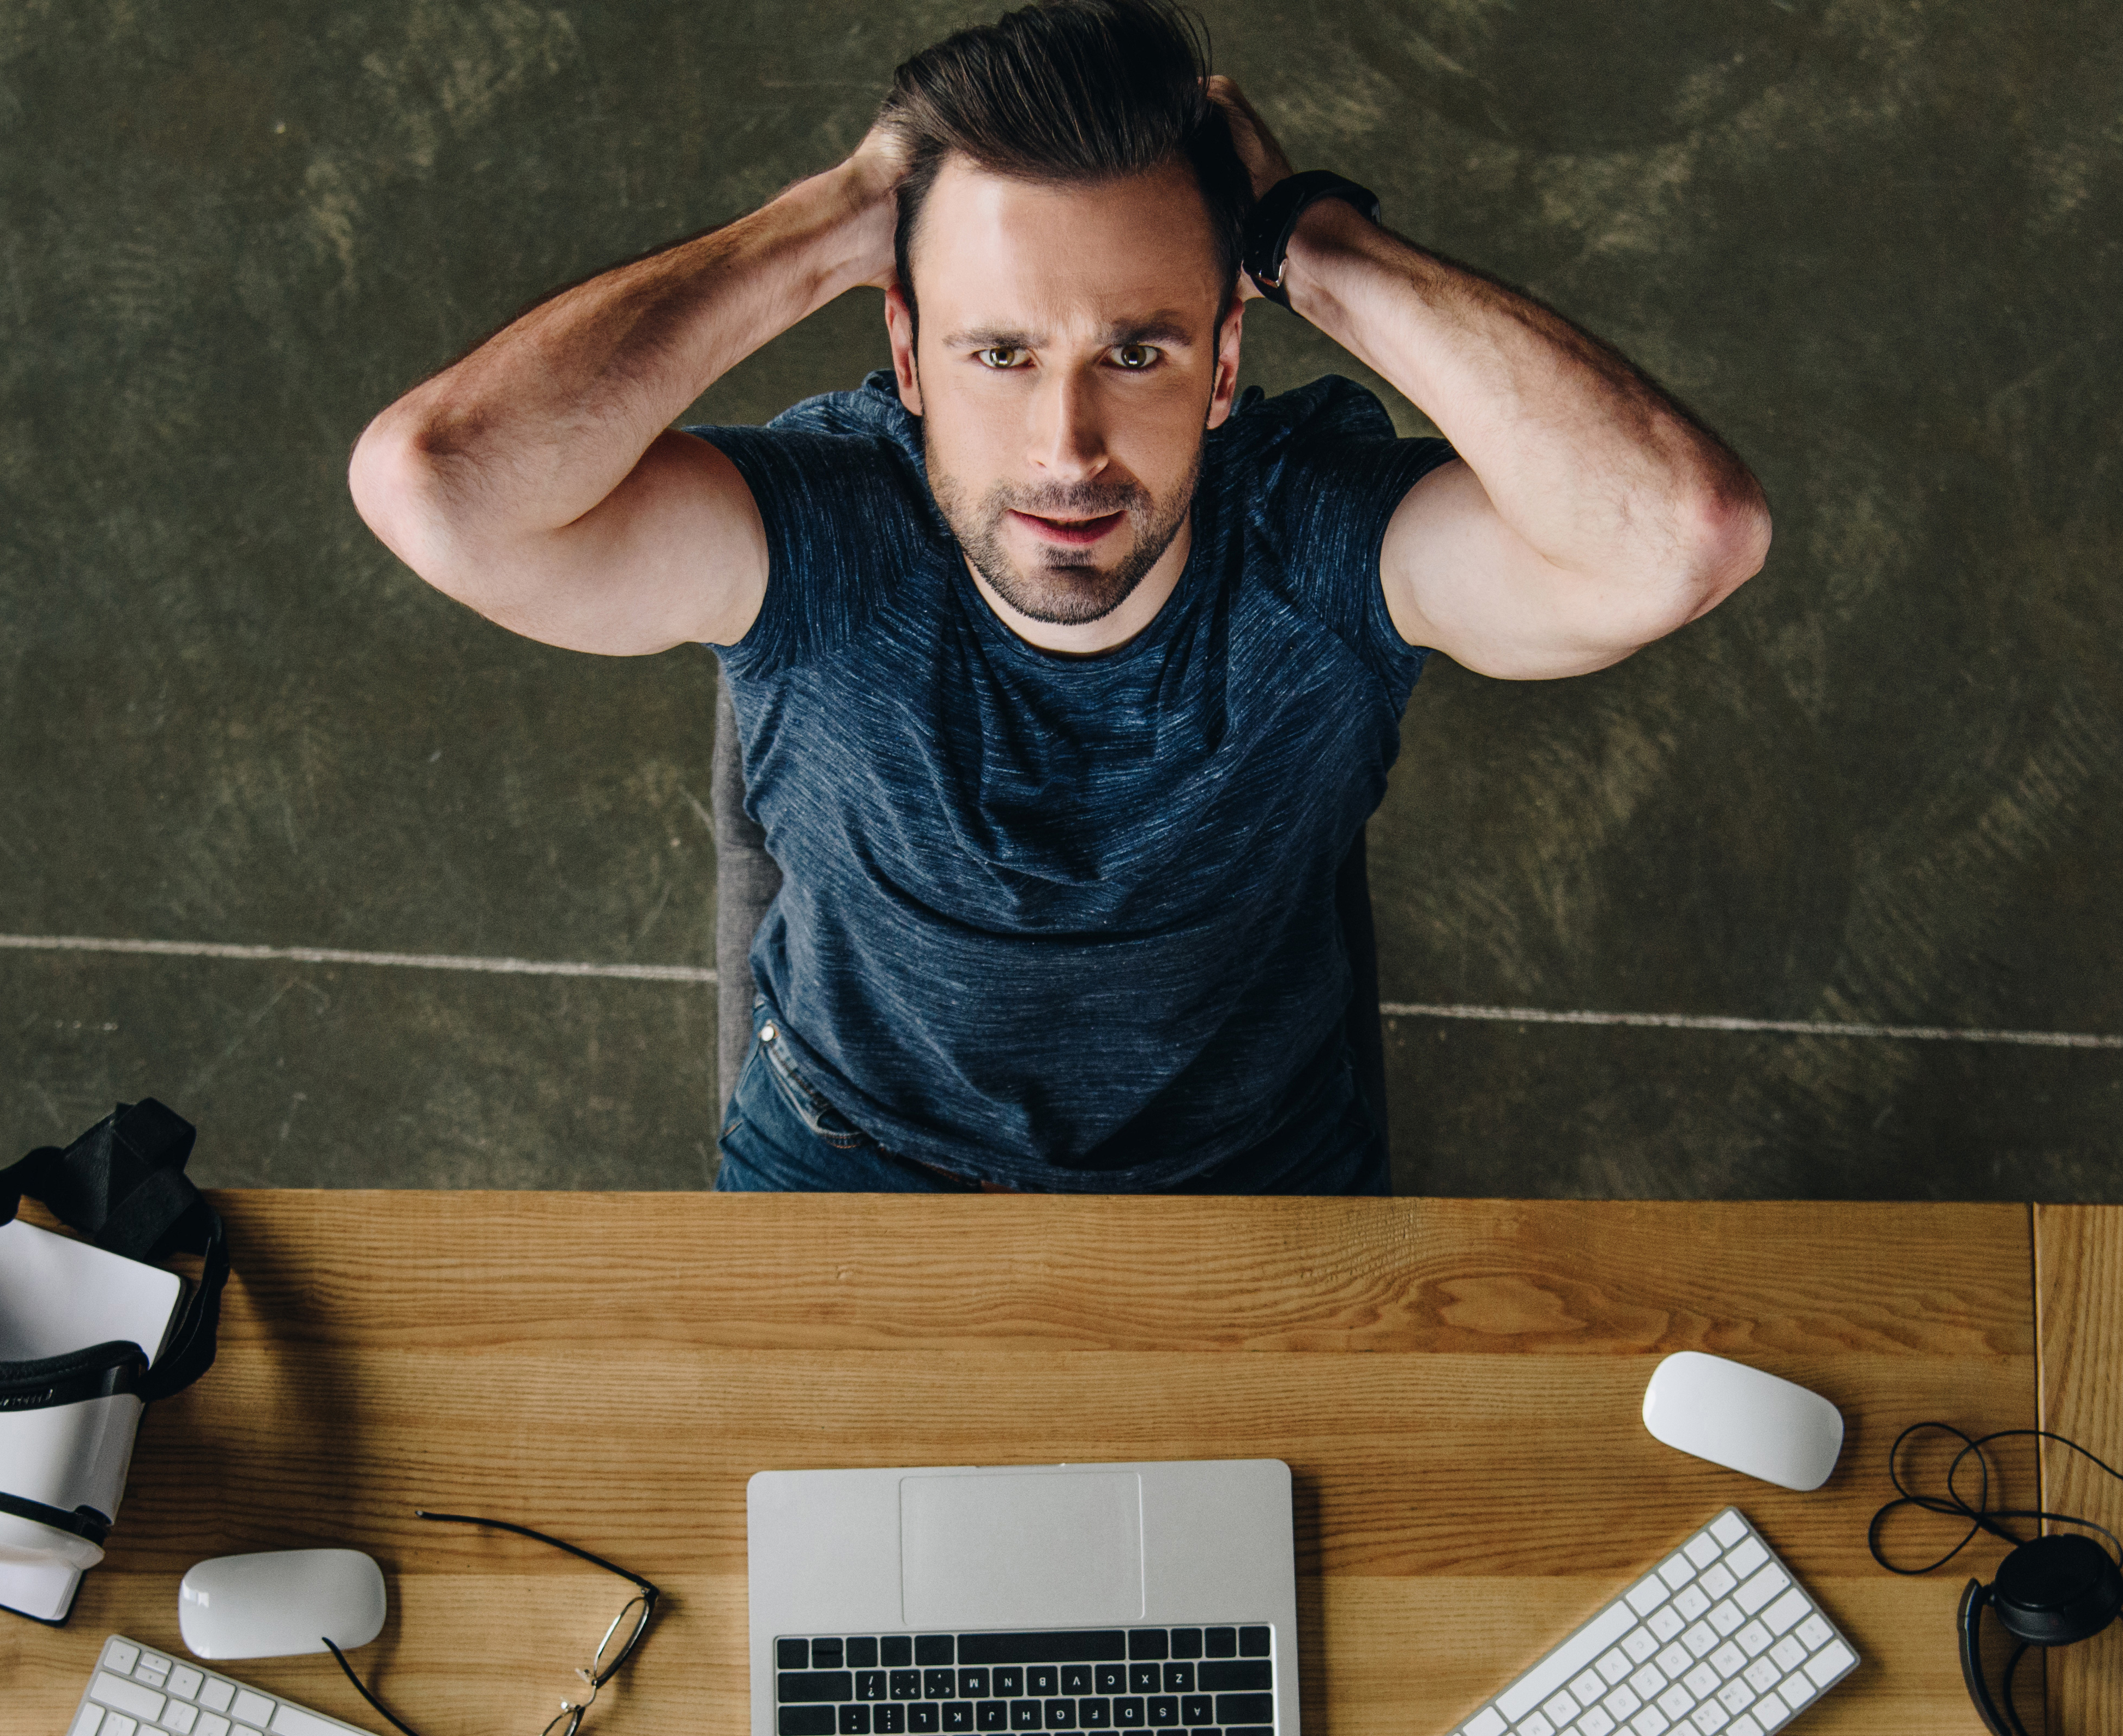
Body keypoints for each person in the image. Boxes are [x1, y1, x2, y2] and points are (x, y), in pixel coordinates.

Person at [349, 0, 1767, 1193]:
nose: (1067, 450)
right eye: (1000, 354)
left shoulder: (1317, 542)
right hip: (849, 1165)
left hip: (1252, 1184)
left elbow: (1684, 536)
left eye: (1139, 354)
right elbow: (440, 487)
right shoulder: (819, 536)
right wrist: (832, 221)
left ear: (1224, 366)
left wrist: (1310, 242)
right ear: (906, 358)